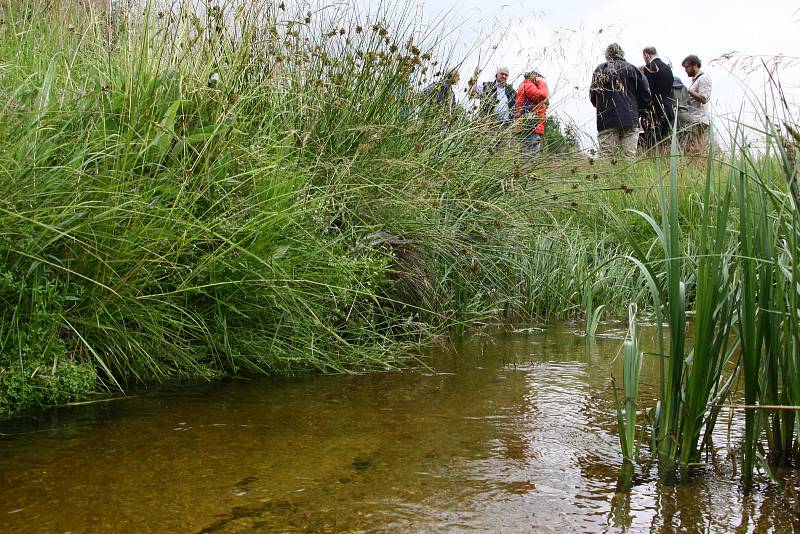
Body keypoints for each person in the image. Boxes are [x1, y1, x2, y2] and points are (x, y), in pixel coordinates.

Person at [590, 43, 652, 157]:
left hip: (606, 119)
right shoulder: (633, 69)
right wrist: (637, 110)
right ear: (622, 54)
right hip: (630, 118)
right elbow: (646, 94)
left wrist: (602, 107)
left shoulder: (600, 70)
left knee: (607, 157)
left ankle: (608, 175)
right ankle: (628, 175)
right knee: (628, 157)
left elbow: (593, 95)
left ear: (607, 55)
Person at [642, 46, 676, 149]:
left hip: (655, 109)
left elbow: (648, 90)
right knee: (664, 139)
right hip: (668, 108)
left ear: (646, 55)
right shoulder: (667, 68)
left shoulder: (650, 68)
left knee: (653, 141)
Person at [681, 55, 712, 154]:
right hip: (694, 120)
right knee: (693, 148)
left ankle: (699, 167)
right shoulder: (696, 80)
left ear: (694, 65)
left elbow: (704, 98)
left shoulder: (703, 78)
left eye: (687, 67)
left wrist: (689, 91)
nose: (685, 70)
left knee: (697, 149)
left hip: (699, 119)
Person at [514, 70, 549, 155]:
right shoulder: (528, 85)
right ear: (534, 77)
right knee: (530, 156)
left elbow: (545, 103)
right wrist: (542, 83)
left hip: (531, 125)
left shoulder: (527, 85)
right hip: (531, 126)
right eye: (538, 77)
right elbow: (542, 95)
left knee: (529, 154)